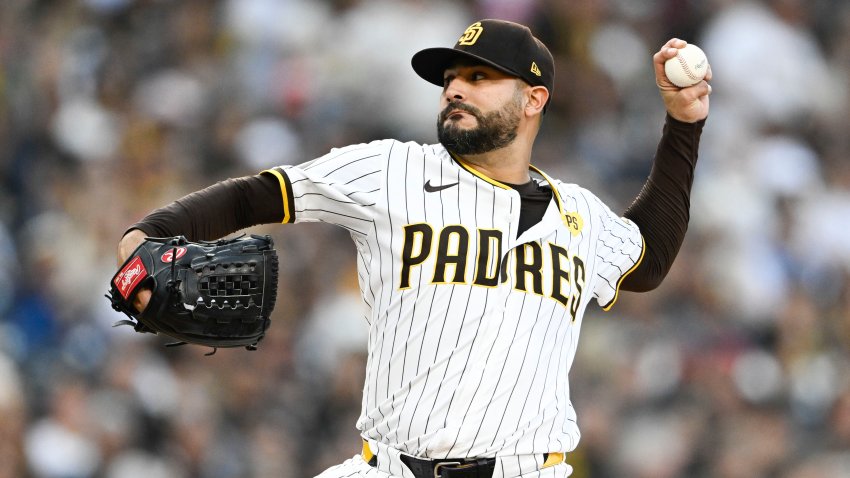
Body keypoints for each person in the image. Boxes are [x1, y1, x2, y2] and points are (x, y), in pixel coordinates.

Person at [117, 19, 710, 478]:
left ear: (534, 99)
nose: (454, 88)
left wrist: (683, 125)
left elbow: (648, 258)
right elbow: (258, 196)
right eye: (450, 78)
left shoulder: (577, 213)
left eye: (479, 78)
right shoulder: (392, 170)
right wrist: (148, 231)